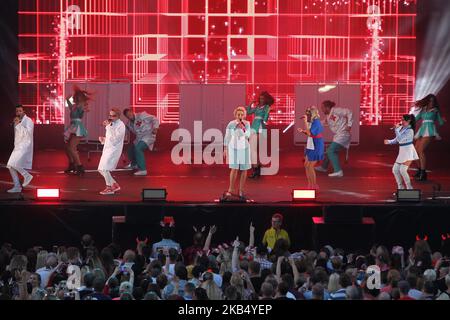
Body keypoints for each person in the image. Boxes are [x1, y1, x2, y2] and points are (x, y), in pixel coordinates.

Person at [315, 100, 353, 177]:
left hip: (343, 135)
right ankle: (324, 167)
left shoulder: (336, 111)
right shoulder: (328, 116)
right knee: (329, 149)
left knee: (331, 150)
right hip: (339, 135)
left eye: (323, 108)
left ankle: (338, 171)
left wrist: (349, 125)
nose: (321, 109)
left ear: (327, 107)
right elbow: (323, 122)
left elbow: (349, 112)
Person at [413, 94, 446, 181]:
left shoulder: (435, 110)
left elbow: (440, 122)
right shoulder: (423, 110)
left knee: (420, 150)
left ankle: (423, 173)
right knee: (415, 151)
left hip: (430, 130)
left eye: (433, 101)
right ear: (427, 101)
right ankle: (420, 170)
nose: (431, 102)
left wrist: (443, 120)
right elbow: (415, 119)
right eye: (430, 101)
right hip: (422, 131)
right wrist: (406, 122)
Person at [223, 106, 251, 201]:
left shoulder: (247, 124)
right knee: (234, 168)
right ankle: (230, 189)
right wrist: (225, 148)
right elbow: (227, 136)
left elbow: (247, 135)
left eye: (241, 114)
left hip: (244, 148)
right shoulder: (231, 124)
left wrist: (242, 127)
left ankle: (241, 190)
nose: (240, 116)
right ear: (235, 115)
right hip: (233, 148)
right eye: (238, 114)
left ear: (244, 115)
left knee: (244, 169)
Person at [384, 114, 419, 190]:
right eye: (401, 119)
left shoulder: (410, 131)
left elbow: (401, 139)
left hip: (408, 151)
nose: (401, 121)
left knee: (403, 170)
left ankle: (409, 188)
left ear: (408, 121)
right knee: (395, 170)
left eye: (403, 120)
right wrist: (389, 142)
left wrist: (396, 130)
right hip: (402, 151)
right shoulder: (401, 129)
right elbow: (397, 140)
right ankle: (401, 188)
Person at [123, 109, 159, 176]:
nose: (129, 116)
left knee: (138, 148)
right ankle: (134, 164)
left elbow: (155, 119)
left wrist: (155, 128)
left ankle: (143, 170)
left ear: (132, 112)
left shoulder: (141, 115)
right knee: (130, 150)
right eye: (127, 115)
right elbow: (125, 132)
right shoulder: (129, 124)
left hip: (148, 135)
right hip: (139, 138)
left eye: (129, 113)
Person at [98, 108, 126, 195]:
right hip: (108, 149)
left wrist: (108, 127)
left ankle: (109, 188)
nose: (111, 117)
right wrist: (104, 139)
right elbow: (111, 138)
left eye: (113, 116)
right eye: (110, 115)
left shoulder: (121, 125)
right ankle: (114, 184)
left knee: (104, 168)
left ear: (118, 116)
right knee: (101, 169)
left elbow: (116, 139)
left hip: (114, 150)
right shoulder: (112, 124)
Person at [246, 91, 274, 178]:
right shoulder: (258, 106)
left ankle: (256, 170)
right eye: (260, 98)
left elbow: (265, 120)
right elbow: (248, 112)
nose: (261, 100)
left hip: (260, 128)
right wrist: (250, 104)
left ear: (266, 99)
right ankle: (256, 169)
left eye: (263, 98)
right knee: (251, 150)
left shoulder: (266, 107)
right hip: (253, 126)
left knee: (253, 149)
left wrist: (268, 112)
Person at [7, 105, 34, 193]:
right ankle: (17, 186)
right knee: (11, 166)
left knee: (11, 164)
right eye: (17, 111)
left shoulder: (28, 120)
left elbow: (28, 134)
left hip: (25, 145)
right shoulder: (17, 121)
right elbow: (16, 135)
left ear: (24, 111)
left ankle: (26, 176)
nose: (18, 113)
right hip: (18, 146)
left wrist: (18, 124)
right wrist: (17, 123)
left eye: (20, 111)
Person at [64, 87, 90, 175]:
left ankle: (79, 166)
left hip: (78, 128)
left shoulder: (80, 105)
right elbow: (70, 106)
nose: (74, 98)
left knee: (71, 147)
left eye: (75, 97)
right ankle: (72, 164)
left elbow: (83, 106)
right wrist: (67, 99)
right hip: (72, 127)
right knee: (68, 148)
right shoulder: (75, 106)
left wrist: (83, 103)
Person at [298, 106, 324, 189]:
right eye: (306, 113)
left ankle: (314, 185)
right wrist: (302, 131)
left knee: (310, 166)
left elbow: (310, 133)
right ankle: (310, 184)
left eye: (308, 113)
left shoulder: (317, 122)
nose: (306, 115)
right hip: (310, 144)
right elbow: (309, 133)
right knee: (306, 164)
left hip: (316, 145)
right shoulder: (313, 122)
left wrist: (305, 122)